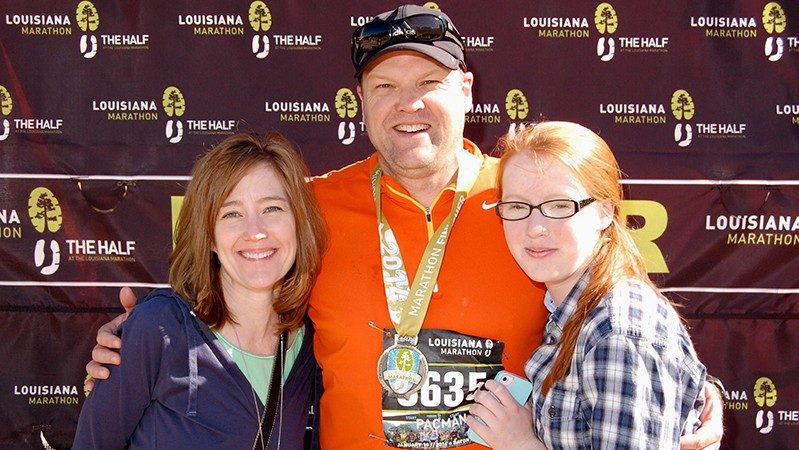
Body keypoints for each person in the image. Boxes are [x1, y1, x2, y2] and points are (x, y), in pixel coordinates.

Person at [85, 5, 723, 449]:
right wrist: (139, 339)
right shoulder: (312, 206)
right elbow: (237, 285)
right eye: (384, 85)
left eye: (429, 82)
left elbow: (619, 305)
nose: (407, 104)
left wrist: (696, 396)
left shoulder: (527, 197)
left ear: (468, 89)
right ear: (361, 101)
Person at [74, 132, 327, 449]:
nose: (256, 232)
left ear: (298, 223)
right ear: (208, 236)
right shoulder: (160, 328)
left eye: (272, 209)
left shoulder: (312, 343)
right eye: (231, 213)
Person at [467, 121, 709, 449]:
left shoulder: (618, 330)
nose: (535, 227)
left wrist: (521, 443)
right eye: (517, 207)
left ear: (604, 212)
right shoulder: (571, 309)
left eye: (560, 206)